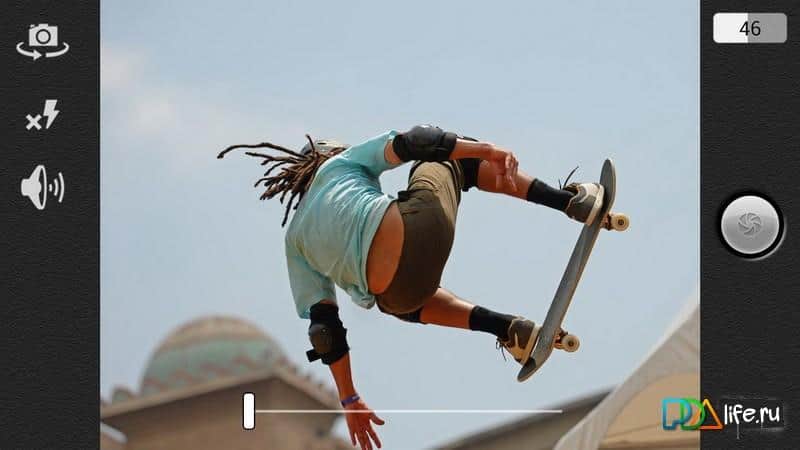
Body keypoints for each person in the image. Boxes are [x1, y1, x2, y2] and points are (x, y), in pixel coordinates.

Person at [218, 125, 604, 450]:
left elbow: (324, 330)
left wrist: (350, 399)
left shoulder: (296, 241)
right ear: (328, 155)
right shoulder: (340, 163)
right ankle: (571, 202)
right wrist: (488, 150)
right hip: (422, 226)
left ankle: (509, 330)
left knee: (398, 307)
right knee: (445, 157)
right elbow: (414, 141)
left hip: (402, 290)